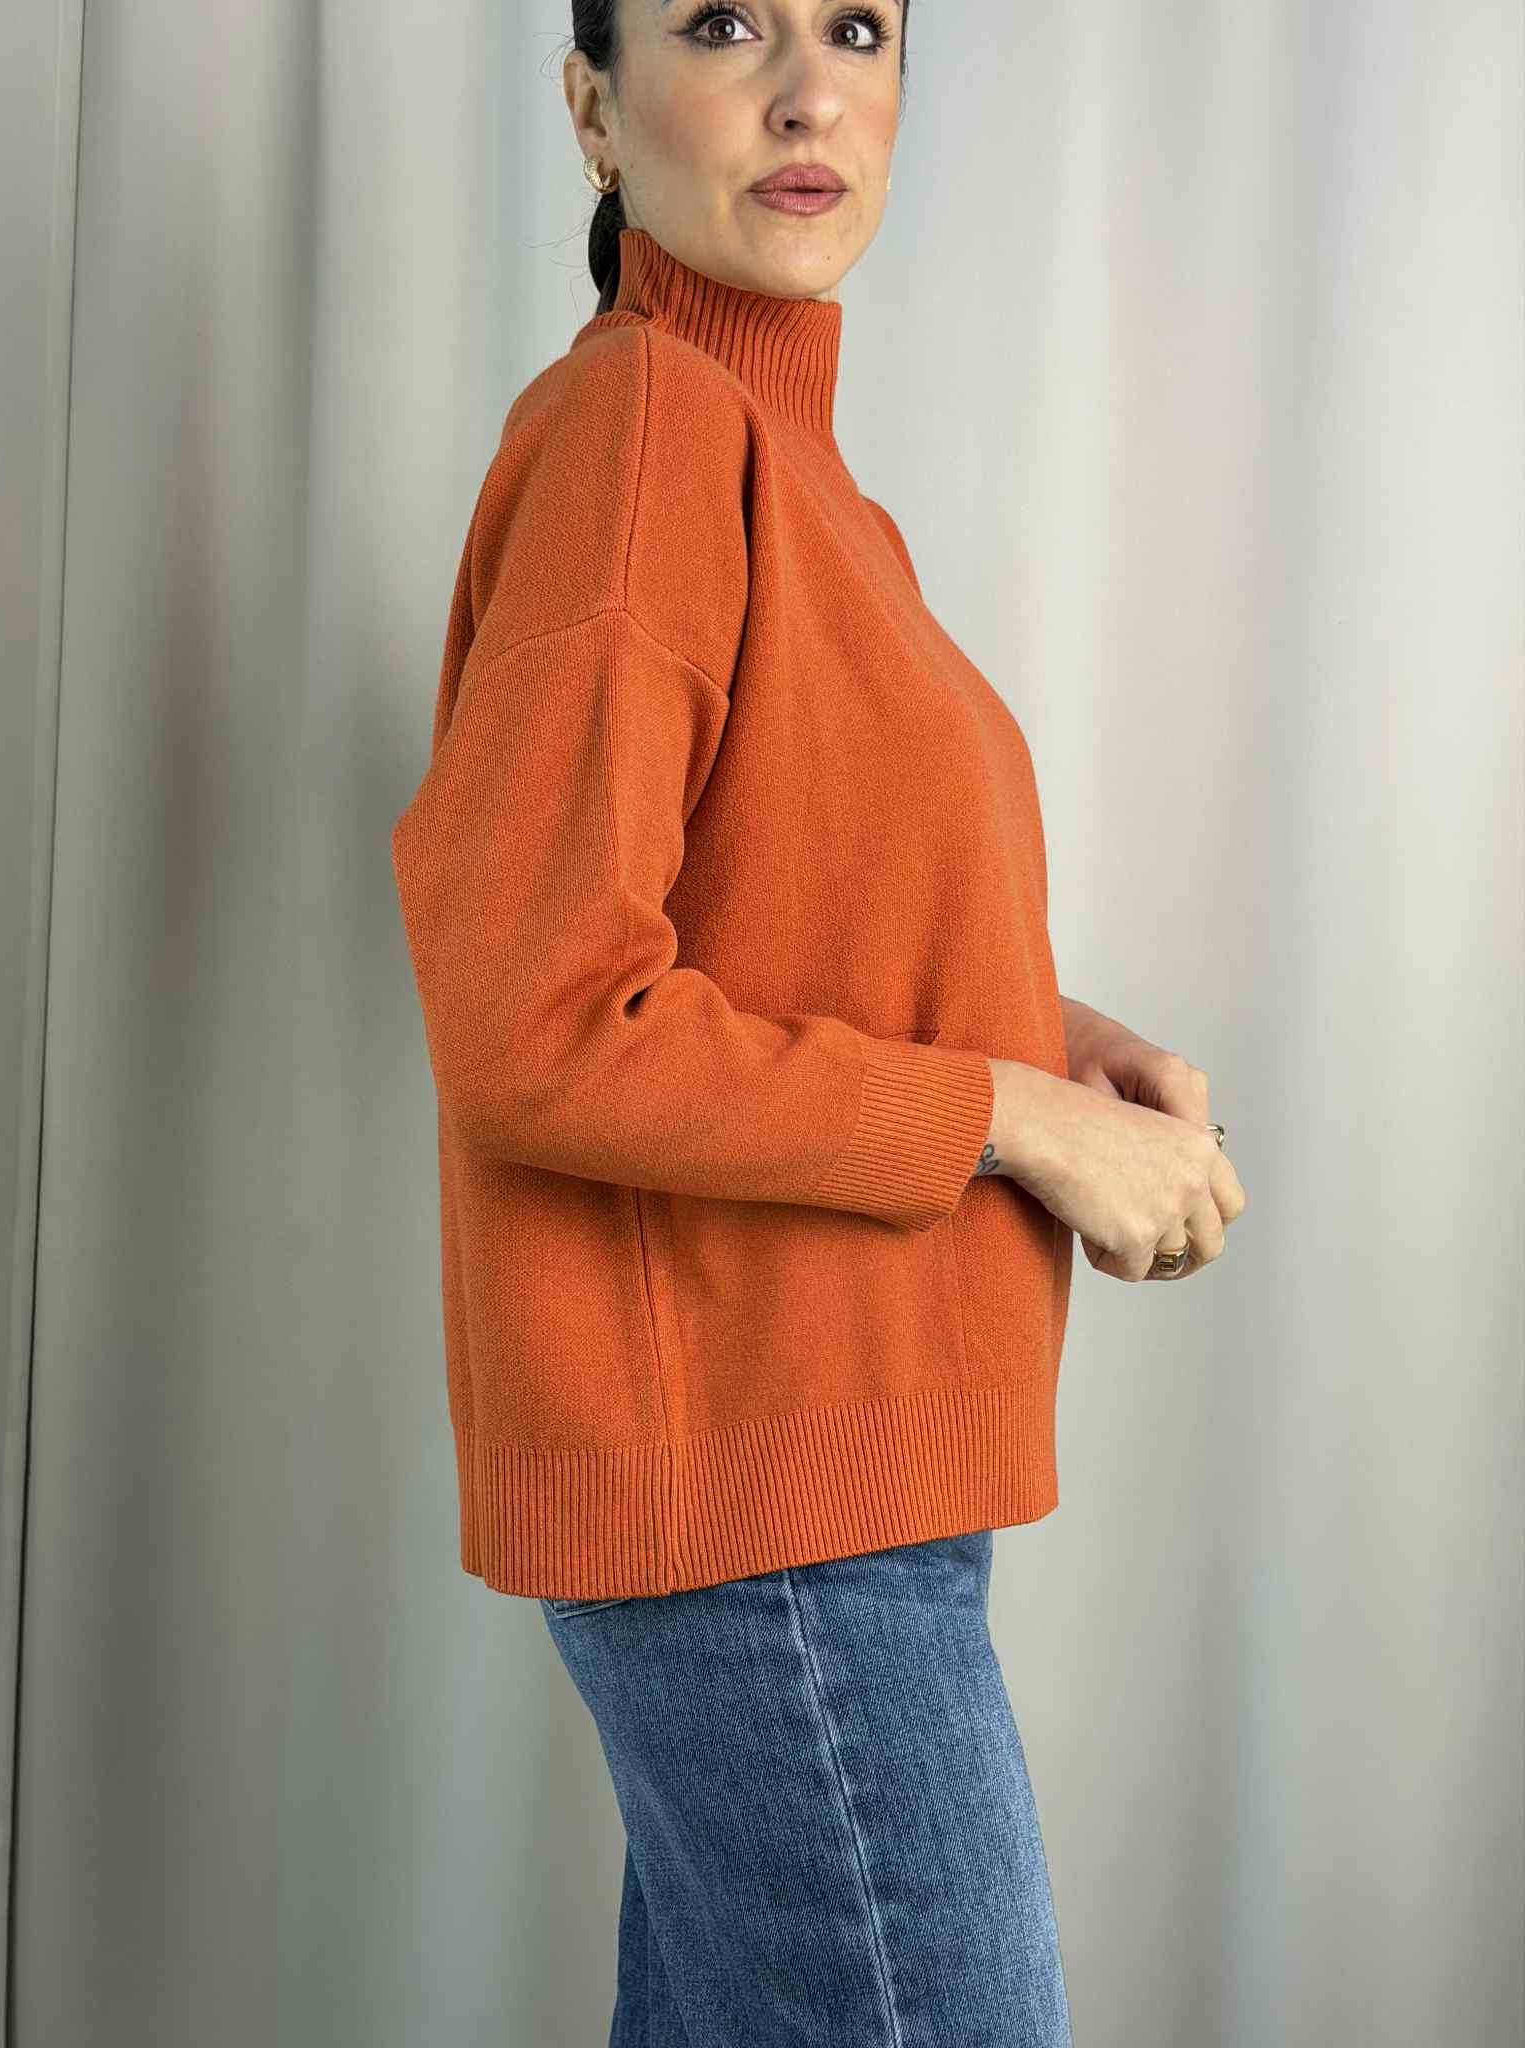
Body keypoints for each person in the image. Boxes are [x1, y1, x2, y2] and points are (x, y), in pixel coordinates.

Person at [389, 2, 1247, 2039]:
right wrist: (1013, 1118)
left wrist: (1052, 1039)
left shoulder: (786, 472)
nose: (807, 88)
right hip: (763, 1504)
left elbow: (764, 933)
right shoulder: (644, 433)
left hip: (821, 1487)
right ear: (594, 109)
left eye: (856, 25)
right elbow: (540, 1016)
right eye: (722, 24)